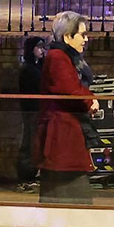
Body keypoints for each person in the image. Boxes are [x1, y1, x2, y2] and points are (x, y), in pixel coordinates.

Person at [34, 11, 99, 204]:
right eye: (82, 35)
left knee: (69, 193)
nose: (85, 40)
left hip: (66, 131)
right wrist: (90, 100)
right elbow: (68, 89)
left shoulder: (64, 56)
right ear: (67, 36)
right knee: (67, 195)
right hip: (61, 134)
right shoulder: (58, 57)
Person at [15, 36, 47, 189]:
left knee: (36, 142)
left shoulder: (39, 66)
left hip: (39, 110)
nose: (42, 50)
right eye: (39, 47)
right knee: (29, 142)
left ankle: (34, 173)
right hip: (31, 111)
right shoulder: (28, 68)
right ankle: (26, 176)